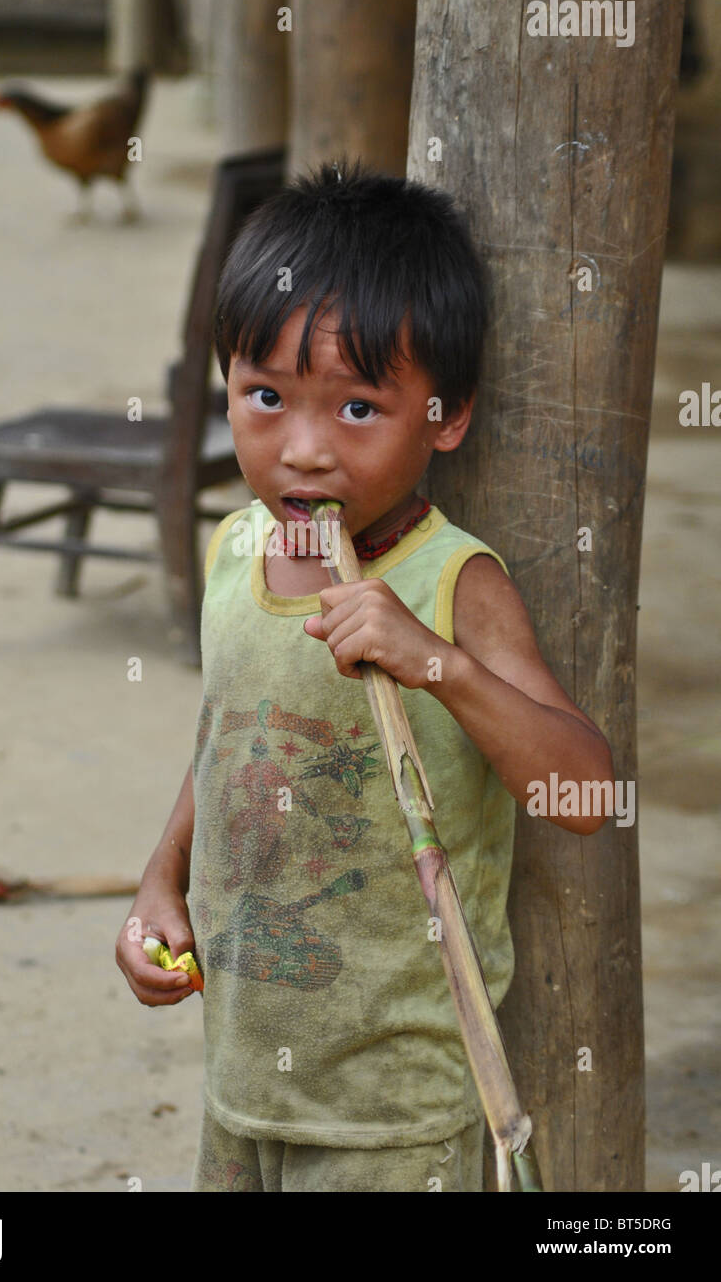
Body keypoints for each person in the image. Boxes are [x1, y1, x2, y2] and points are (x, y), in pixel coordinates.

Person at [115, 160, 614, 1192]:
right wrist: (160, 884)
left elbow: (587, 794)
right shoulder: (235, 548)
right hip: (244, 1078)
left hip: (393, 1115)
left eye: (356, 411)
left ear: (448, 416)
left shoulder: (449, 580)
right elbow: (224, 740)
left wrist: (433, 661)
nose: (303, 451)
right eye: (264, 396)